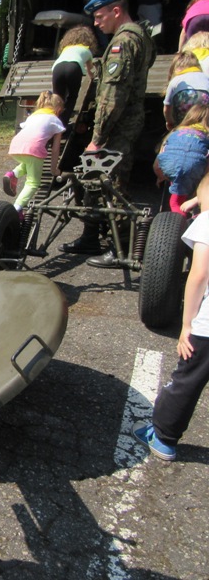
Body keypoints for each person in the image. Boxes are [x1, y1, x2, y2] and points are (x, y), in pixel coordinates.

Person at [58, 0, 155, 267]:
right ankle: (90, 237)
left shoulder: (122, 43)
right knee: (93, 178)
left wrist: (98, 138)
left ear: (116, 11)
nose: (96, 23)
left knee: (112, 184)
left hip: (116, 127)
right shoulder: (142, 37)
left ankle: (122, 248)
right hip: (123, 123)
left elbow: (114, 96)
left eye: (100, 17)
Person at [133, 170, 209, 461]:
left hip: (207, 329)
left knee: (185, 383)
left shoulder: (206, 221)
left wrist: (187, 325)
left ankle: (163, 438)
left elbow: (199, 275)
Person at [3, 91, 66, 220]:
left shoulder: (33, 116)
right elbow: (55, 149)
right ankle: (17, 209)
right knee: (33, 183)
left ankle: (13, 174)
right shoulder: (55, 120)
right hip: (34, 149)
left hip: (15, 145)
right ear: (59, 109)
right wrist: (54, 170)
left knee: (29, 163)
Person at [154, 103, 209, 216]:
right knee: (178, 201)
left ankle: (180, 219)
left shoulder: (176, 131)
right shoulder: (206, 134)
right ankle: (186, 219)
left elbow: (158, 161)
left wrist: (160, 175)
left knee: (175, 199)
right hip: (195, 167)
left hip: (169, 165)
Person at [51, 25, 98, 126]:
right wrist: (94, 76)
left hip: (57, 67)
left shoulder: (66, 48)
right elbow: (90, 70)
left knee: (57, 97)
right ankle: (62, 124)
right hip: (73, 67)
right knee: (72, 97)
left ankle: (52, 121)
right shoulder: (87, 51)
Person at [162, 50, 209, 130]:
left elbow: (167, 108)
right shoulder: (205, 76)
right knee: (204, 122)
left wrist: (169, 122)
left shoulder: (175, 80)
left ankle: (182, 131)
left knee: (182, 123)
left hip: (184, 99)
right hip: (204, 98)